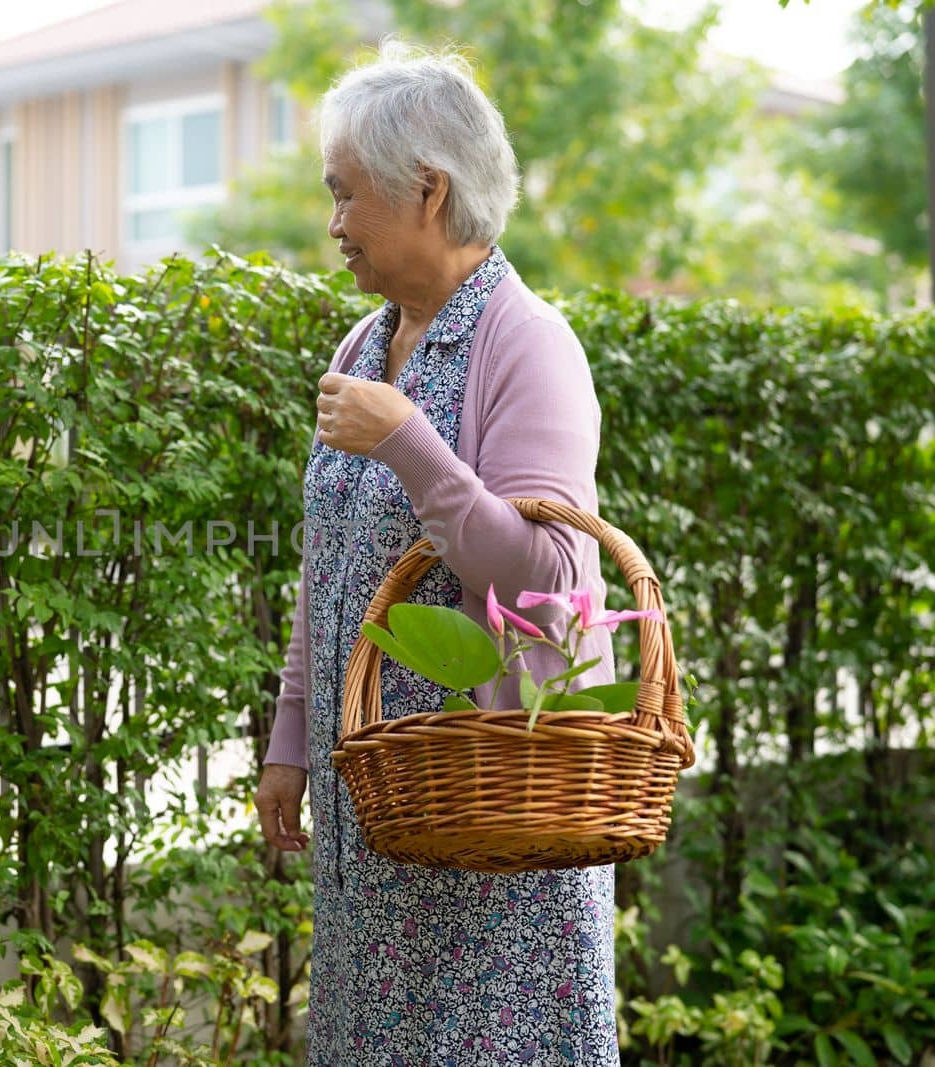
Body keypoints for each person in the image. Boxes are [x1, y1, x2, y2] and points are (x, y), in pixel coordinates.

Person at [254, 41, 620, 1066]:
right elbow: (326, 569)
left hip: (484, 824)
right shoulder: (362, 348)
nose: (331, 225)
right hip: (377, 818)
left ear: (427, 189)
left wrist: (410, 440)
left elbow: (553, 582)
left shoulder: (526, 343)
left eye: (344, 195)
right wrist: (291, 744)